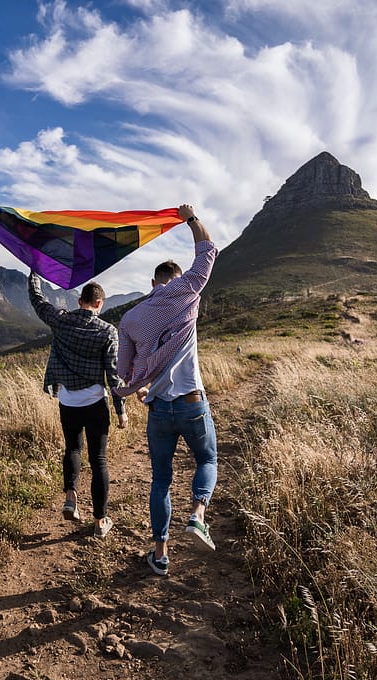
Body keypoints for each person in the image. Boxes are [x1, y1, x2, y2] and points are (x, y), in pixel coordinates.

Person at [115, 204, 218, 576]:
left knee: (160, 480)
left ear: (152, 283)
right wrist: (191, 218)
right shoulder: (188, 292)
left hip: (158, 409)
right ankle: (197, 515)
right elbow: (207, 251)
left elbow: (123, 372)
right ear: (175, 279)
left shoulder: (130, 318)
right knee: (207, 461)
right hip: (192, 404)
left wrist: (139, 388)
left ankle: (160, 554)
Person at [29, 271, 128, 538]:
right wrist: (120, 410)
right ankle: (100, 521)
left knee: (72, 447)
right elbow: (113, 374)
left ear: (80, 300)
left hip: (68, 402)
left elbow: (38, 302)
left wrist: (34, 273)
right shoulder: (108, 331)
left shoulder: (61, 321)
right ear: (98, 304)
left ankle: (71, 498)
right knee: (99, 460)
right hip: (96, 402)